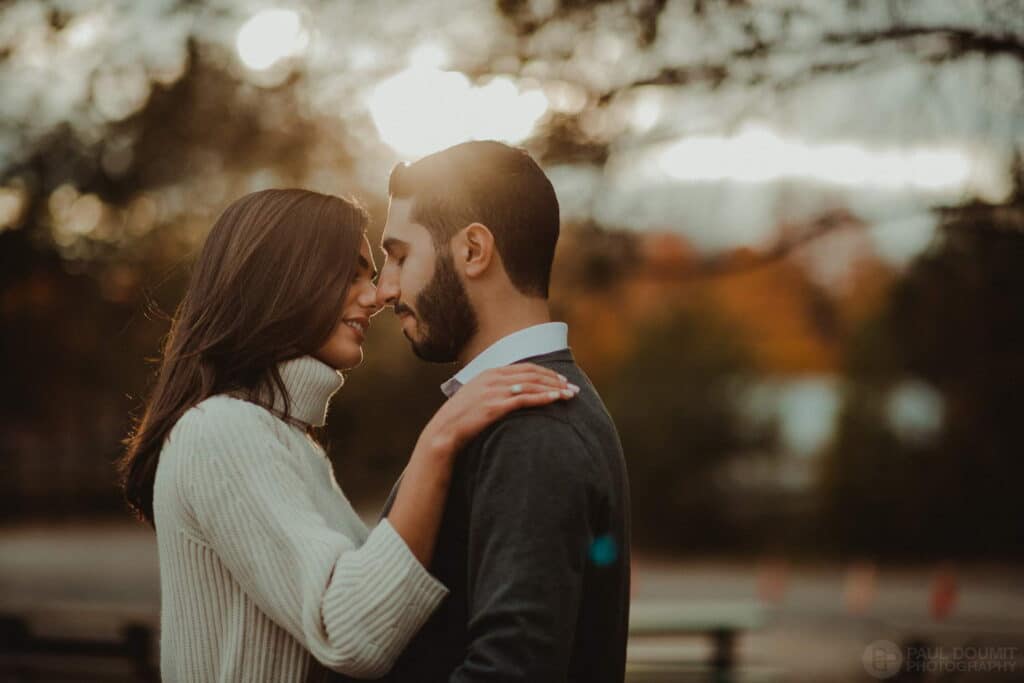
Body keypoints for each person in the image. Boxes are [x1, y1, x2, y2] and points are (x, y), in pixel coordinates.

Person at [116, 189, 578, 683]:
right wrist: (438, 442)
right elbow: (352, 633)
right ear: (282, 280)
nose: (377, 295)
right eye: (352, 274)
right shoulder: (221, 431)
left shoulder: (284, 438)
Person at [365, 140, 632, 683]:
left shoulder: (535, 429)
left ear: (473, 251)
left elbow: (510, 671)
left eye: (399, 256)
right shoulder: (513, 411)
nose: (385, 289)